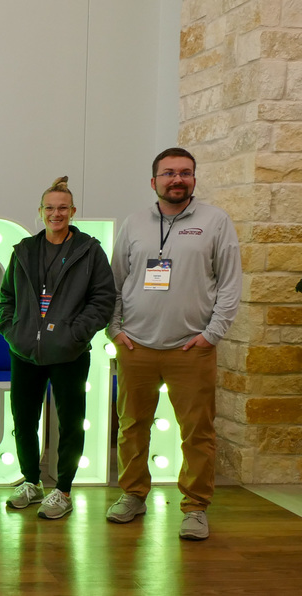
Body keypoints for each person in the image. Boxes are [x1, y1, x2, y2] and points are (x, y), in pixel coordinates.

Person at [106, 147, 242, 540]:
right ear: (154, 182)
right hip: (136, 347)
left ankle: (196, 506)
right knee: (132, 426)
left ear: (194, 180)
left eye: (185, 173)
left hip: (191, 348)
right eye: (168, 173)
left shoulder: (216, 222)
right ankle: (132, 494)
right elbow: (115, 284)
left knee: (197, 432)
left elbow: (230, 285)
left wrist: (211, 335)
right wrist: (115, 330)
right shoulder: (134, 224)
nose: (177, 179)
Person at [0, 176, 116, 519]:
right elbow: (7, 297)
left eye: (63, 208)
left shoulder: (89, 251)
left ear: (73, 211)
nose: (56, 213)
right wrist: (12, 329)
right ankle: (31, 483)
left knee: (71, 422)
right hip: (25, 352)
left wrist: (76, 334)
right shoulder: (23, 250)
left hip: (69, 353)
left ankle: (63, 489)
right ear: (40, 212)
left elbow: (103, 298)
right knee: (24, 419)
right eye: (50, 208)